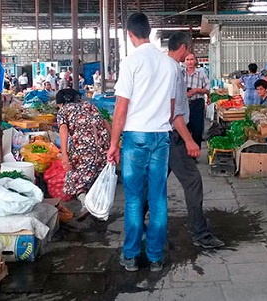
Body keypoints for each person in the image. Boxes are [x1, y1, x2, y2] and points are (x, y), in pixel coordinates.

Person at [107, 12, 177, 273]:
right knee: (158, 197)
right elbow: (171, 109)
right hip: (161, 136)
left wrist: (114, 144)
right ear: (150, 31)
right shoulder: (169, 64)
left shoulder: (131, 62)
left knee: (134, 198)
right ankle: (156, 257)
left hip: (135, 137)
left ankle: (131, 255)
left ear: (130, 34)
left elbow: (121, 110)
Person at [167, 32, 225, 249]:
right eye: (189, 52)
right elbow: (172, 112)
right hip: (172, 135)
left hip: (165, 135)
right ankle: (200, 234)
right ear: (184, 48)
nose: (189, 57)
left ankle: (137, 229)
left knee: (153, 182)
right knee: (192, 181)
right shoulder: (172, 70)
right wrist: (189, 140)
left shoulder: (171, 68)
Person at [56, 88, 111, 220]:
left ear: (61, 103)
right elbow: (105, 123)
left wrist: (64, 154)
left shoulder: (63, 111)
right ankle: (97, 207)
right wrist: (114, 143)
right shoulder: (90, 106)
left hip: (83, 148)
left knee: (74, 176)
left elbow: (63, 130)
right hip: (102, 147)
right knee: (95, 176)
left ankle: (87, 204)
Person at [184, 53, 210, 149]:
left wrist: (196, 90)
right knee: (185, 129)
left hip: (197, 103)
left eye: (191, 59)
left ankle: (195, 153)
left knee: (197, 129)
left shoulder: (201, 73)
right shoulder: (181, 73)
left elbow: (207, 89)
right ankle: (185, 153)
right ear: (184, 61)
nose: (190, 62)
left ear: (195, 61)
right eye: (187, 59)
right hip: (184, 104)